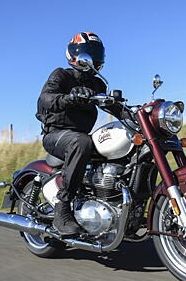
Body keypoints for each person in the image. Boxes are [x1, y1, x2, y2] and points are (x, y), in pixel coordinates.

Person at [36, 31, 123, 236]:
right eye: (88, 53)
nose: (93, 58)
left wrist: (139, 115)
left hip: (80, 137)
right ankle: (62, 209)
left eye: (96, 53)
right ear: (76, 55)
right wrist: (71, 97)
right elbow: (46, 99)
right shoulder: (61, 75)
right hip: (56, 135)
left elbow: (116, 109)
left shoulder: (97, 84)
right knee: (81, 142)